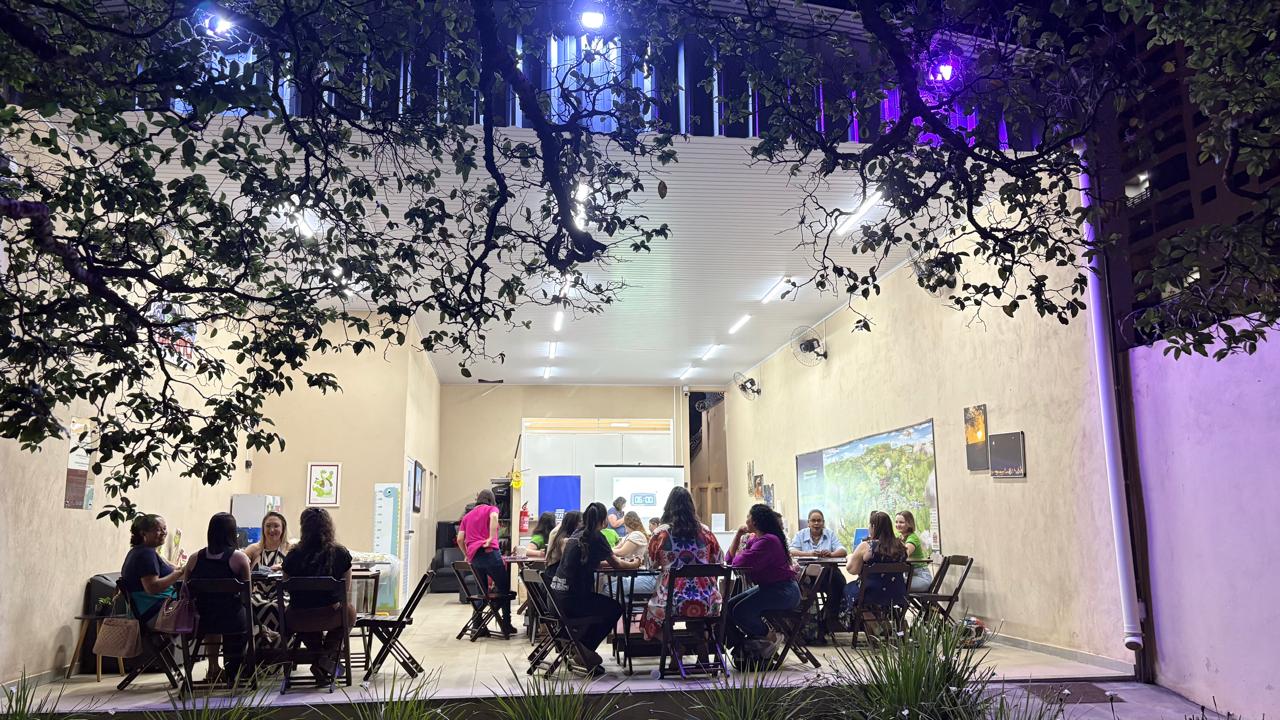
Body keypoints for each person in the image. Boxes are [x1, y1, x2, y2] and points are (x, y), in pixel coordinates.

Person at [549, 502, 641, 674]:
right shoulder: (596, 536)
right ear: (604, 520)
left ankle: (579, 645)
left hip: (555, 600)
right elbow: (618, 564)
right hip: (573, 602)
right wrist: (635, 563)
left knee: (603, 605)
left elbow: (590, 561)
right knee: (614, 608)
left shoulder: (576, 534)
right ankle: (584, 647)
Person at [281, 507, 356, 681]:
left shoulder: (293, 555)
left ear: (303, 527)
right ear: (329, 527)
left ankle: (319, 658)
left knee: (302, 612)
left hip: (297, 619)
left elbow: (286, 586)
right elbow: (345, 590)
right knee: (349, 612)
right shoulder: (340, 554)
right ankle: (325, 657)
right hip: (330, 616)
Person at [640, 487, 724, 641]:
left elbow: (650, 564)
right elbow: (719, 560)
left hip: (671, 601)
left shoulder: (661, 533)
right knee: (697, 616)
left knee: (648, 617)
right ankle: (701, 644)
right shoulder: (705, 531)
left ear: (668, 507)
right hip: (707, 600)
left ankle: (673, 646)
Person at [725, 504, 801, 662]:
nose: (746, 520)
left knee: (740, 611)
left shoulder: (768, 541)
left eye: (748, 517)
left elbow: (738, 562)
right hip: (770, 588)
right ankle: (742, 645)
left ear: (754, 521)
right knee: (729, 606)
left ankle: (770, 636)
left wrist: (740, 553)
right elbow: (730, 559)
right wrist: (738, 535)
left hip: (783, 591)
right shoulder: (756, 539)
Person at [183, 512, 252, 683]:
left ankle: (213, 667)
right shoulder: (239, 558)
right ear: (232, 533)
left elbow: (186, 590)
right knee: (242, 614)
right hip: (232, 620)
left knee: (212, 615)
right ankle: (232, 670)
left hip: (202, 621)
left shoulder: (194, 558)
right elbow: (247, 594)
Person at [457, 489, 518, 637]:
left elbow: (460, 539)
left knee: (482, 593)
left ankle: (477, 625)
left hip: (475, 558)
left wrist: (466, 554)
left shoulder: (467, 516)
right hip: (490, 554)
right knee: (504, 590)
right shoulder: (492, 509)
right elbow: (494, 517)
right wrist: (491, 537)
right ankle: (506, 624)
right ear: (491, 500)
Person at [120, 514, 185, 625]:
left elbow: (173, 568)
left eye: (164, 528)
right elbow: (152, 587)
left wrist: (180, 570)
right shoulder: (146, 554)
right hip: (155, 612)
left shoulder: (139, 551)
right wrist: (178, 573)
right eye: (158, 530)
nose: (164, 533)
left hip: (149, 610)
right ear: (143, 534)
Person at [843, 511, 908, 613]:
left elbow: (852, 570)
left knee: (847, 588)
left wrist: (850, 557)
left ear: (873, 527)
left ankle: (866, 617)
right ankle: (879, 617)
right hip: (897, 593)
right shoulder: (901, 546)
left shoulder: (866, 546)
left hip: (870, 593)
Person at [244, 512, 290, 643]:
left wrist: (283, 566)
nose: (271, 530)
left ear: (283, 528)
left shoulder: (290, 549)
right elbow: (240, 565)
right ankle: (259, 642)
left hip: (282, 592)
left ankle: (282, 644)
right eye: (268, 526)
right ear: (263, 528)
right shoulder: (253, 549)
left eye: (276, 526)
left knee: (280, 605)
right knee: (250, 604)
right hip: (257, 592)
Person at [614, 511, 656, 595]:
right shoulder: (629, 536)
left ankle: (623, 603)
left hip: (641, 575)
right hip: (636, 573)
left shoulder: (637, 535)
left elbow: (622, 552)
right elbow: (616, 549)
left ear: (626, 523)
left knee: (610, 588)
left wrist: (605, 550)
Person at [896, 510, 934, 592]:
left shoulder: (913, 537)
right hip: (910, 577)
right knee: (892, 583)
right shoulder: (900, 538)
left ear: (909, 523)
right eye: (896, 522)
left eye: (901, 522)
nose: (898, 525)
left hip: (922, 578)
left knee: (894, 584)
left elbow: (904, 554)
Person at [543, 510, 583, 575]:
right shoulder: (565, 540)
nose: (582, 524)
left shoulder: (560, 535)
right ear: (572, 523)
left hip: (554, 572)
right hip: (556, 574)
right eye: (580, 521)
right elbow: (568, 561)